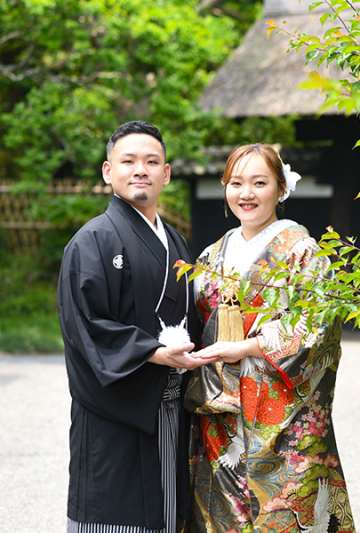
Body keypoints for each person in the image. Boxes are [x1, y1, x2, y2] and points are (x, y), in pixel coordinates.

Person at [186, 144, 355, 532]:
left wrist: (245, 347)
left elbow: (317, 325)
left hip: (280, 415)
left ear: (281, 188)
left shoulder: (302, 251)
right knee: (221, 518)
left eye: (259, 183)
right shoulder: (212, 255)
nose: (246, 193)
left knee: (287, 513)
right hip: (222, 412)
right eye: (236, 183)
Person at [58, 121, 216, 533]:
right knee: (113, 512)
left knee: (166, 513)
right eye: (128, 160)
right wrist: (152, 351)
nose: (140, 169)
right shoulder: (92, 241)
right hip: (117, 407)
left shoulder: (177, 243)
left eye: (151, 161)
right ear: (109, 171)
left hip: (168, 404)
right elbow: (86, 324)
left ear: (166, 174)